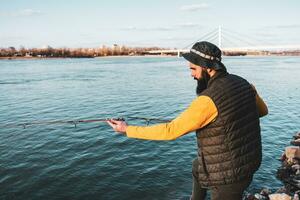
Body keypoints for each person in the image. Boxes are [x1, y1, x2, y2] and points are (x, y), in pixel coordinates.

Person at [107, 41, 268, 200]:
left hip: (228, 177)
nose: (191, 74)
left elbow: (170, 131)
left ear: (208, 67)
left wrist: (127, 129)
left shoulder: (208, 100)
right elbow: (262, 111)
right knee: (197, 165)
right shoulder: (243, 83)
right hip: (249, 162)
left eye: (193, 69)